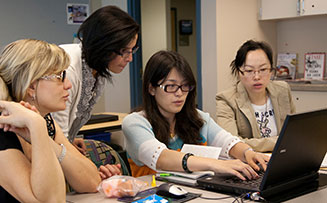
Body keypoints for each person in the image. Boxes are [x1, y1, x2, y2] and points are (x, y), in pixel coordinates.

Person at [121, 50, 269, 180]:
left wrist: (248, 153)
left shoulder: (198, 118)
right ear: (151, 89)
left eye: (185, 86)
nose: (179, 93)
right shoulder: (135, 123)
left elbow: (228, 142)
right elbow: (161, 158)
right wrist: (217, 164)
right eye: (171, 86)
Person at [0, 39, 102, 202]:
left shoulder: (44, 119)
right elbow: (52, 200)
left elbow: (91, 182)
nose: (68, 85)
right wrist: (37, 127)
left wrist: (45, 138)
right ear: (31, 86)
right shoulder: (4, 131)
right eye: (60, 76)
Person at [52, 5, 140, 158]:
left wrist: (70, 141)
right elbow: (56, 135)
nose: (130, 58)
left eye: (132, 50)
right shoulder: (68, 69)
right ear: (104, 46)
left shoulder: (97, 71)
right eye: (124, 51)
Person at [216, 40, 296, 152]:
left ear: (271, 71)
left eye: (263, 69)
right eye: (249, 71)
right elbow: (231, 144)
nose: (257, 76)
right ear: (239, 72)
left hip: (282, 158)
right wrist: (277, 142)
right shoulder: (226, 100)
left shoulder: (283, 90)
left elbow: (294, 132)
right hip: (249, 163)